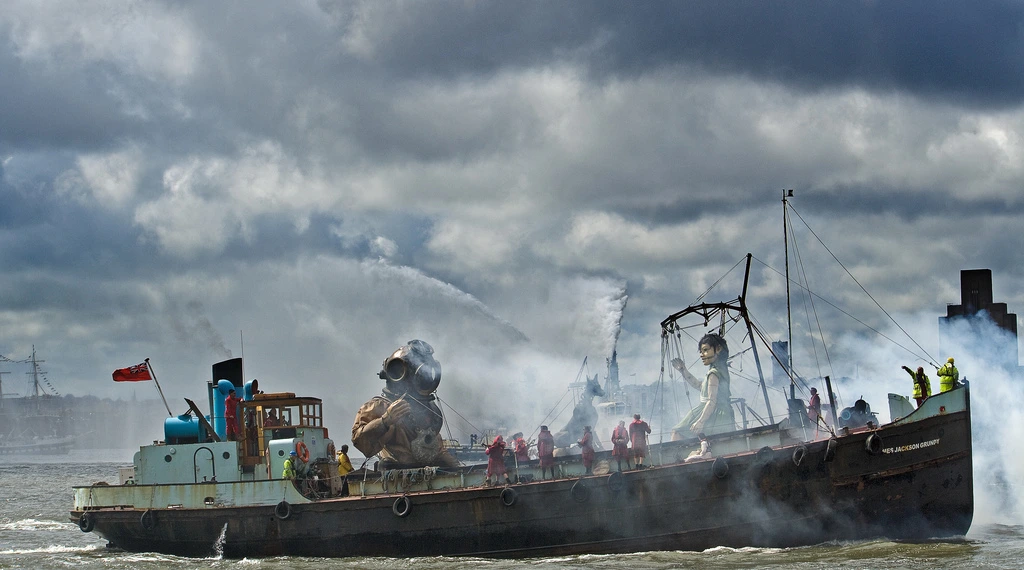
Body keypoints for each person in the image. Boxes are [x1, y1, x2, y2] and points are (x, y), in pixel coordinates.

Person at [351, 340, 458, 468]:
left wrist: (456, 468)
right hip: (396, 475)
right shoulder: (381, 407)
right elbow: (360, 442)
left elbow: (435, 446)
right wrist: (385, 421)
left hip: (429, 472)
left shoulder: (431, 410)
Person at [671, 333, 735, 440]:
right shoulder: (719, 370)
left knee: (677, 433)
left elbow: (711, 400)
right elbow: (699, 386)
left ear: (718, 349)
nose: (702, 355)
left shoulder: (714, 373)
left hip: (714, 413)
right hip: (721, 412)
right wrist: (683, 370)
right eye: (701, 351)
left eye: (705, 350)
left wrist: (700, 421)